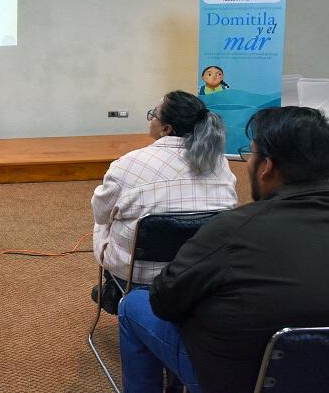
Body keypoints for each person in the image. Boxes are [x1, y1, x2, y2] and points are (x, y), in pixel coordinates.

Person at [119, 106, 329, 393]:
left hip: (237, 379)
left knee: (133, 305)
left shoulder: (232, 230)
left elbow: (163, 300)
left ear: (267, 167)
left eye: (251, 154)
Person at [92, 90, 237, 292]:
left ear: (166, 128)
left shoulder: (127, 164)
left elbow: (100, 214)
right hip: (201, 268)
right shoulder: (220, 163)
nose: (150, 118)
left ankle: (116, 290)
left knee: (102, 221)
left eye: (153, 114)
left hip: (139, 274)